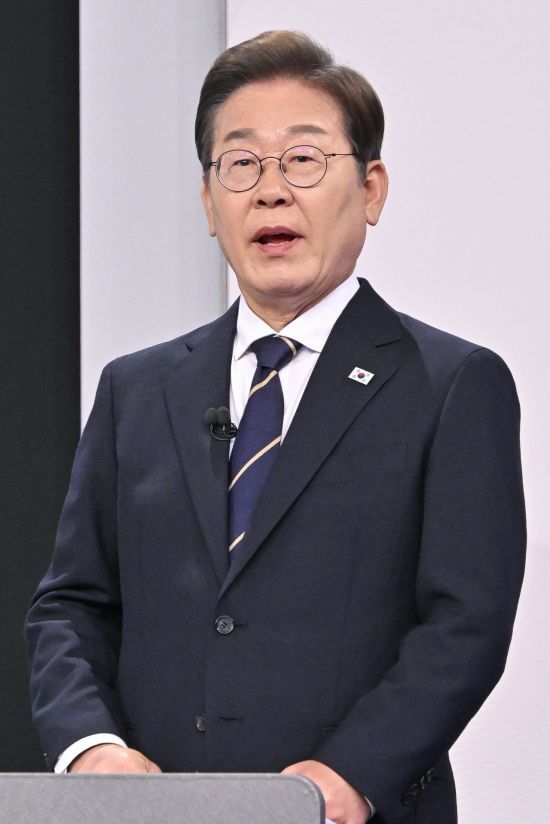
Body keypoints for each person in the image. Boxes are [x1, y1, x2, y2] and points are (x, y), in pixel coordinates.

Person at [25, 30, 526, 824]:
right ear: (208, 201)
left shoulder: (452, 385)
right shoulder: (136, 389)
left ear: (371, 189)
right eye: (241, 163)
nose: (269, 191)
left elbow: (467, 624)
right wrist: (93, 750)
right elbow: (72, 606)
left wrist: (350, 775)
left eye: (303, 159)